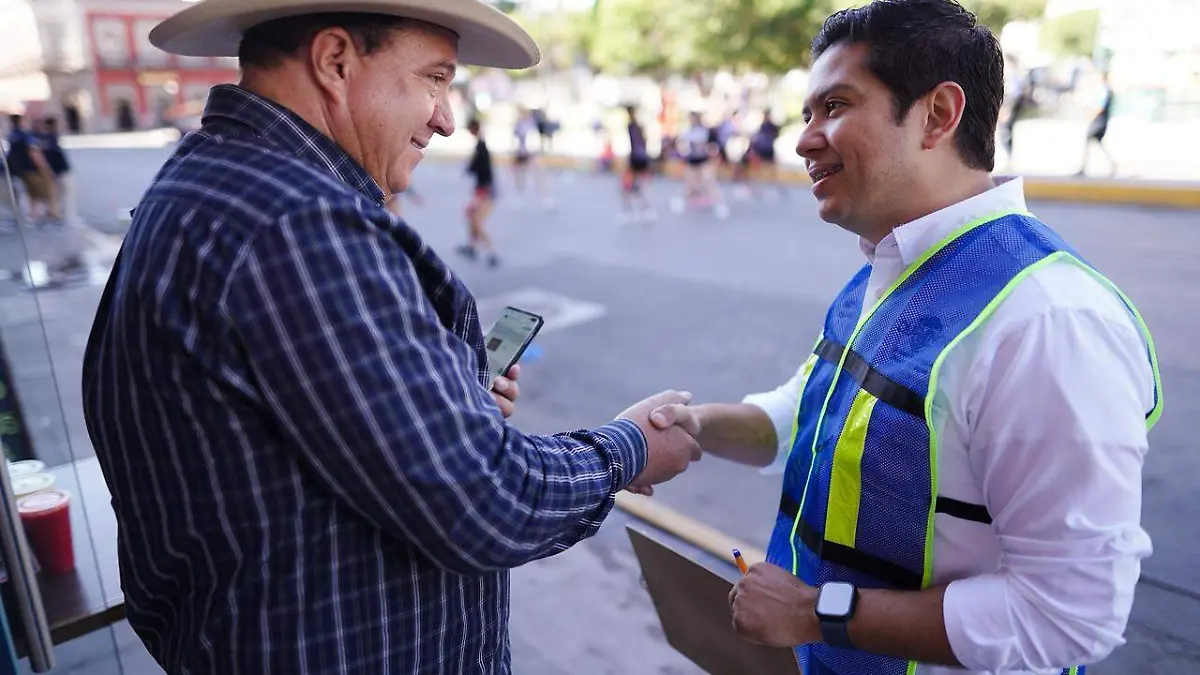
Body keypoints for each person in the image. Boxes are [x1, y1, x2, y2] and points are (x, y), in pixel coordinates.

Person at [81, 2, 703, 672]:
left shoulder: (202, 186)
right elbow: (482, 500)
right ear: (335, 61)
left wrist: (442, 406)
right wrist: (629, 449)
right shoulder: (300, 223)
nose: (446, 117)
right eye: (435, 79)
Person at [650, 2, 1162, 674]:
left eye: (835, 105)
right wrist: (691, 426)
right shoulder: (890, 266)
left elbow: (1067, 616)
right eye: (807, 113)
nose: (804, 139)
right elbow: (808, 413)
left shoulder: (1047, 320)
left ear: (938, 115)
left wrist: (813, 613)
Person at [459, 117, 500, 266]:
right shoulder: (480, 145)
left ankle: (491, 252)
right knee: (471, 216)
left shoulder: (481, 147)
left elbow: (474, 168)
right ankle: (471, 247)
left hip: (486, 189)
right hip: (482, 188)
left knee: (476, 220)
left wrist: (468, 166)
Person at [5, 114, 59, 223]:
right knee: (45, 191)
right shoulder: (26, 135)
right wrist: (45, 168)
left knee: (30, 193)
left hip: (18, 170)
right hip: (32, 169)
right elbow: (34, 152)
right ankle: (49, 213)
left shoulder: (11, 135)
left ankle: (32, 214)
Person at [619, 105, 655, 222]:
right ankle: (644, 210)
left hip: (636, 159)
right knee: (635, 187)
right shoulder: (639, 126)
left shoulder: (632, 127)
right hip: (640, 159)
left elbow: (635, 144)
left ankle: (630, 211)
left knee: (627, 187)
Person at [1078, 71, 1116, 177]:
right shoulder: (1106, 90)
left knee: (1090, 140)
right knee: (1096, 142)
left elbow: (1100, 106)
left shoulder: (1105, 90)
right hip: (1101, 120)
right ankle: (1111, 164)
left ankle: (1083, 167)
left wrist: (1092, 116)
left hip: (1099, 121)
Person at [35, 117, 72, 222]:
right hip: (58, 171)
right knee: (61, 193)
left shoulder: (44, 138)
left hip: (54, 171)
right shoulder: (51, 138)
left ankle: (54, 212)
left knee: (55, 193)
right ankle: (58, 214)